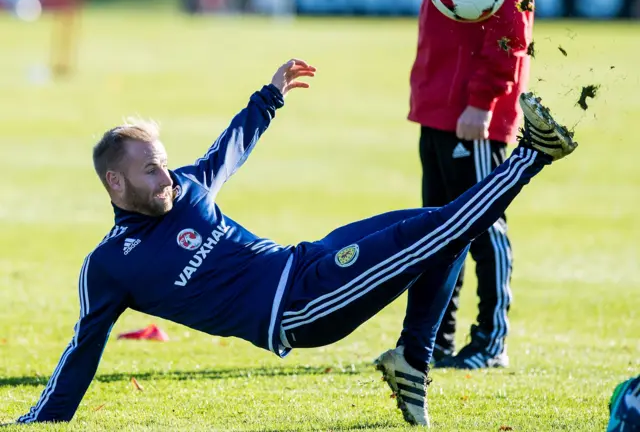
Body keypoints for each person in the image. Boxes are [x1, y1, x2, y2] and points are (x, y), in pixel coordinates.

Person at [14, 59, 576, 427]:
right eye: (149, 172)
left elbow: (225, 151)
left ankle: (411, 357)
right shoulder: (109, 266)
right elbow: (82, 351)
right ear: (115, 184)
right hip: (301, 310)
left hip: (307, 259)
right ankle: (534, 152)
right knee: (443, 229)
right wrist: (40, 420)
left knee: (438, 229)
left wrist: (269, 96)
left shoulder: (183, 186)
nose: (166, 178)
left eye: (162, 165)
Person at [407, 0, 535, 369]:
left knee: (484, 228)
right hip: (438, 110)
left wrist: (482, 103)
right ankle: (435, 340)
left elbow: (511, 34)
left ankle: (490, 341)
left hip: (472, 119)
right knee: (438, 230)